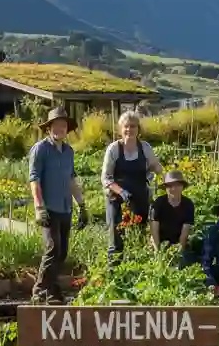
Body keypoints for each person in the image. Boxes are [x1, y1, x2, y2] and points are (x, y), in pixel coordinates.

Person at [28, 106, 89, 301]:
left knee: (62, 252)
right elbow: (34, 180)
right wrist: (39, 208)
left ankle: (52, 289)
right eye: (56, 125)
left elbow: (71, 180)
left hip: (65, 208)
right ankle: (39, 291)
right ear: (49, 128)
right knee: (53, 249)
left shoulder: (68, 151)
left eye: (63, 126)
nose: (59, 129)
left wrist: (82, 206)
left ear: (67, 129)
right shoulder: (40, 149)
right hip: (49, 208)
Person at [102, 110, 163, 261]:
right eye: (126, 126)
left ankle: (137, 270)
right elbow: (106, 178)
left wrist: (159, 174)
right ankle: (114, 274)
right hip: (117, 199)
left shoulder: (145, 147)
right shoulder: (114, 149)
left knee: (139, 234)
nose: (129, 129)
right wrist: (121, 191)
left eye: (133, 126)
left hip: (140, 197)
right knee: (116, 239)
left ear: (138, 129)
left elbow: (156, 166)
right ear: (120, 129)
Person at [150, 170, 196, 252]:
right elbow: (154, 229)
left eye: (177, 185)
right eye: (170, 186)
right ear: (166, 188)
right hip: (159, 241)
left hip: (177, 243)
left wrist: (179, 251)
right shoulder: (158, 203)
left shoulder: (188, 204)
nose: (173, 188)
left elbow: (185, 232)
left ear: (182, 186)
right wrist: (158, 251)